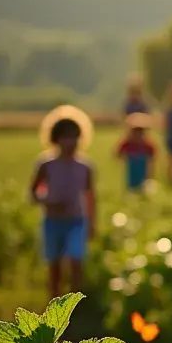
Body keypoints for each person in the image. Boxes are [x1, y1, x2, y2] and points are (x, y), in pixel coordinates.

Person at [30, 105, 96, 299]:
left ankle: (74, 301)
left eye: (74, 136)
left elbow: (91, 196)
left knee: (76, 260)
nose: (70, 142)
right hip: (53, 221)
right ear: (55, 138)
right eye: (65, 137)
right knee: (55, 263)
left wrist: (92, 223)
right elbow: (33, 193)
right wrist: (49, 202)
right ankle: (54, 299)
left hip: (76, 220)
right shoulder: (46, 164)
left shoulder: (85, 166)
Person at [116, 113, 156, 192]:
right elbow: (119, 151)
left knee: (143, 179)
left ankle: (141, 189)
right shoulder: (128, 143)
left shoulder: (146, 143)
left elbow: (152, 152)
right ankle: (132, 189)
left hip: (142, 166)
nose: (137, 134)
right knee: (132, 179)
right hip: (132, 165)